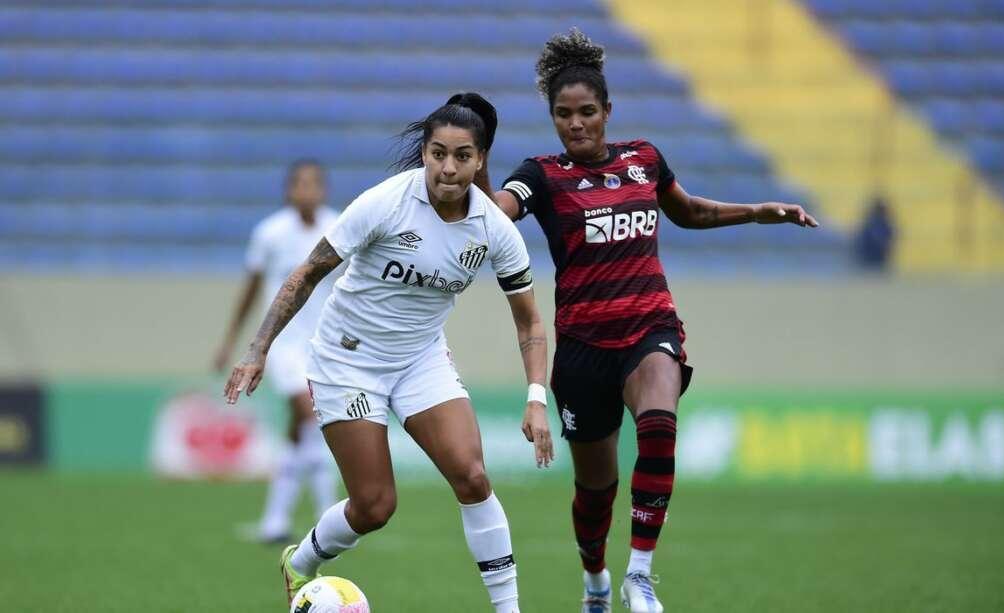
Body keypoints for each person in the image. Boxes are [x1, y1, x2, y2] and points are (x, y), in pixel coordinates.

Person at [475, 30, 819, 613]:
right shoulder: (541, 174)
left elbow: (688, 211)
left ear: (609, 111)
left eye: (587, 112)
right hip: (583, 347)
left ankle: (640, 572)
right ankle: (596, 580)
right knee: (595, 490)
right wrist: (475, 163)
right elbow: (494, 215)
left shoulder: (645, 160)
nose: (576, 124)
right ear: (552, 117)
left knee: (659, 425)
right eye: (564, 114)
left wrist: (759, 212)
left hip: (648, 327)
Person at [224, 93, 553, 613]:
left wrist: (536, 396)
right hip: (347, 360)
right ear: (424, 153)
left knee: (472, 475)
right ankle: (300, 560)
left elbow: (530, 321)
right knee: (376, 506)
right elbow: (307, 273)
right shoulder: (385, 203)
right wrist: (257, 349)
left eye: (462, 155)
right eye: (438, 153)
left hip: (421, 359)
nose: (448, 167)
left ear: (480, 159)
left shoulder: (494, 230)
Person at [213, 159, 340, 543]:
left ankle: (276, 519)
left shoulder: (337, 228)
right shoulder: (269, 233)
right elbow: (251, 289)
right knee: (311, 413)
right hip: (283, 345)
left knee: (298, 430)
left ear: (323, 189)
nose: (307, 190)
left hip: (326, 342)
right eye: (300, 184)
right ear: (289, 190)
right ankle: (328, 516)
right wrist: (231, 340)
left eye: (314, 183)